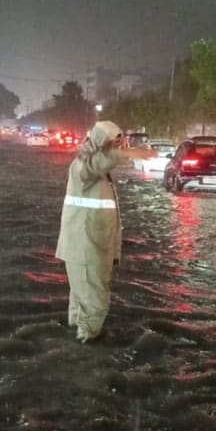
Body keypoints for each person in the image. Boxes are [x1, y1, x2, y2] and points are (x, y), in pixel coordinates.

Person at [55, 121, 155, 343]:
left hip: (90, 246)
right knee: (95, 302)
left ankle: (76, 341)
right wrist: (126, 153)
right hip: (86, 247)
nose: (119, 147)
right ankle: (88, 352)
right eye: (115, 143)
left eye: (121, 143)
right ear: (102, 144)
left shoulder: (96, 171)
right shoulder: (83, 166)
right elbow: (96, 164)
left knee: (83, 301)